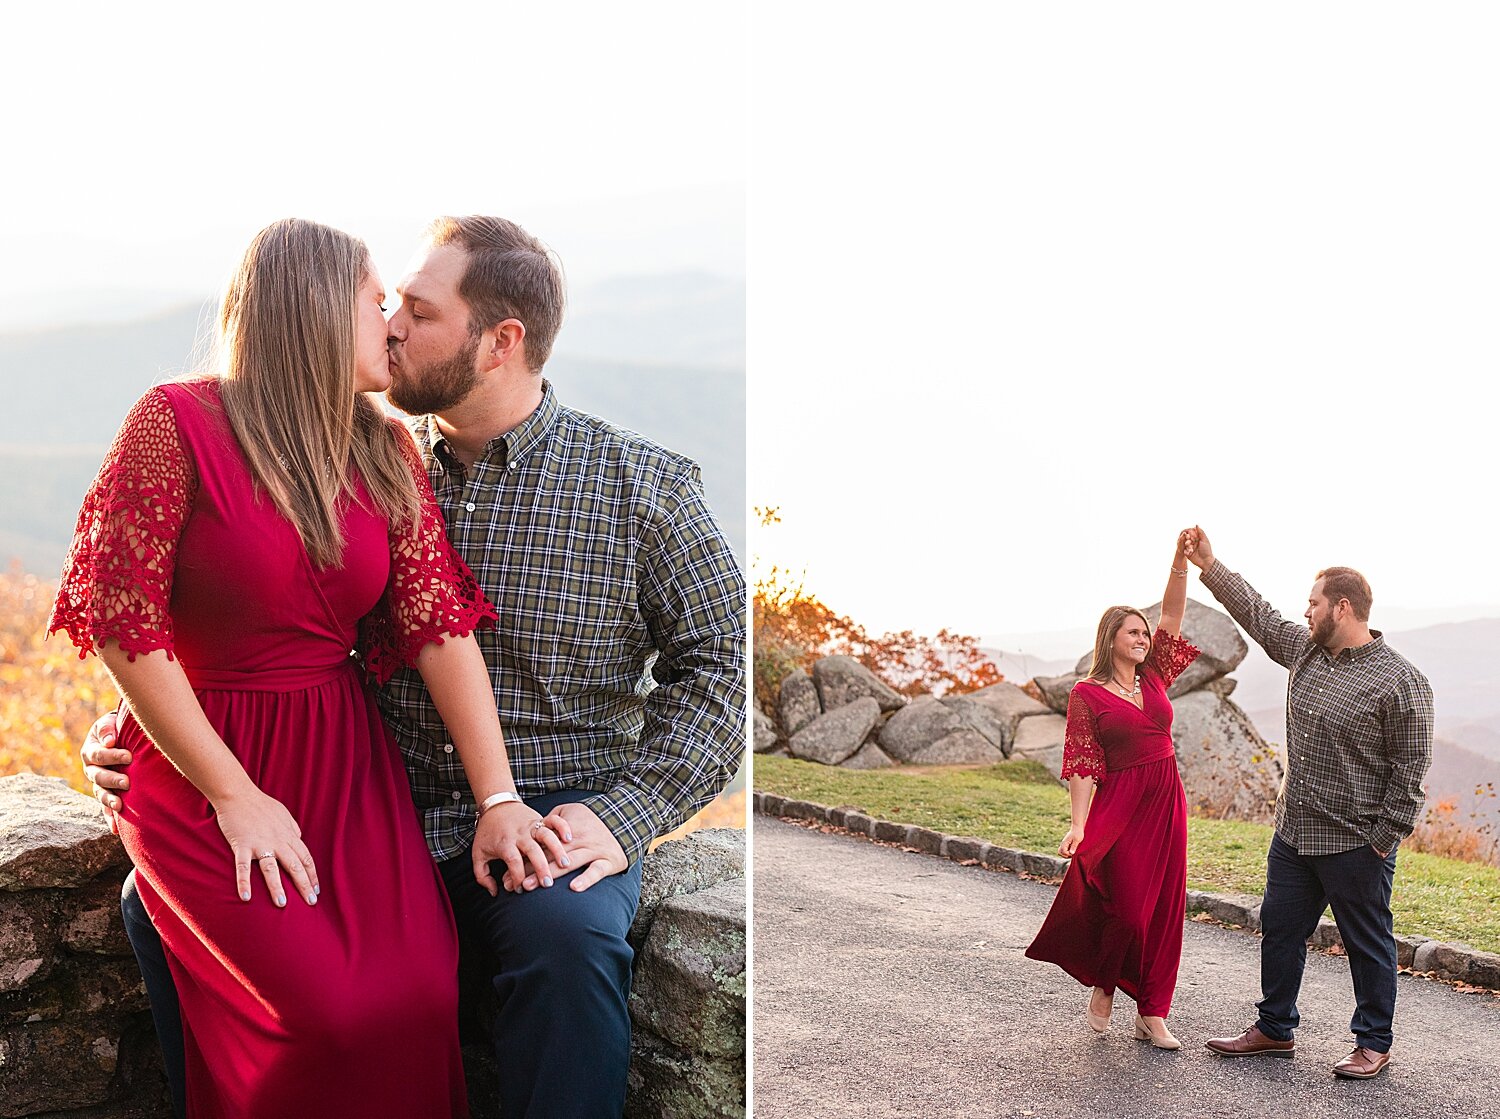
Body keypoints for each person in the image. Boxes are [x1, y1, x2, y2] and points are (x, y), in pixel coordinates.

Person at [82, 215, 746, 1119]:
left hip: (516, 807)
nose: (392, 325)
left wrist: (616, 815)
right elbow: (172, 609)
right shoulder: (356, 445)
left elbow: (716, 668)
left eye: (416, 312)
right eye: (382, 303)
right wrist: (136, 732)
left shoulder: (637, 484)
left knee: (556, 941)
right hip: (368, 788)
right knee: (155, 913)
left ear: (499, 341)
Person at [50, 219, 564, 1118]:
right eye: (378, 304)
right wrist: (233, 795)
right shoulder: (174, 422)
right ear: (318, 310)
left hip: (344, 758)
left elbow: (439, 628)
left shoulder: (384, 449)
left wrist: (498, 799)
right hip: (205, 763)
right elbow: (123, 622)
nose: (394, 324)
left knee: (416, 992)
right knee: (322, 1013)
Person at [1185, 526, 1433, 1080]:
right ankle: (1275, 1028)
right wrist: (1211, 564)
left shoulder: (1401, 681)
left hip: (1355, 845)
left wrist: (1380, 842)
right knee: (1279, 929)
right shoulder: (1305, 651)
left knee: (1367, 945)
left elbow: (1410, 774)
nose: (1305, 612)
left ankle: (1373, 1042)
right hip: (1294, 834)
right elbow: (1259, 613)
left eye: (1314, 603)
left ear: (1342, 608)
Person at [1025, 531, 1202, 1050]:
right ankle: (1104, 984)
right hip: (1121, 802)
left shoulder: (1154, 678)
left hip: (1167, 799)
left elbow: (1172, 614)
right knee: (1125, 907)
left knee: (1164, 908)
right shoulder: (1087, 694)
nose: (1144, 638)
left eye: (1145, 633)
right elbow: (1082, 762)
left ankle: (1153, 1012)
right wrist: (1079, 823)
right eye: (1133, 632)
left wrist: (1179, 561)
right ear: (1110, 639)